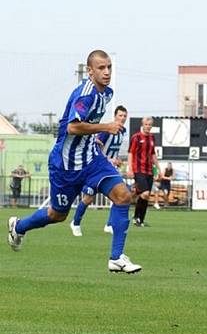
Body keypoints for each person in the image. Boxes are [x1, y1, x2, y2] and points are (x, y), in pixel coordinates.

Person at [7, 50, 141, 273]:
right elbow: (73, 126)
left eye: (109, 67)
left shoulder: (107, 93)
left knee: (123, 196)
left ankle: (116, 258)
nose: (107, 72)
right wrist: (106, 127)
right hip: (66, 165)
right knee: (57, 215)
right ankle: (18, 226)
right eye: (101, 68)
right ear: (89, 71)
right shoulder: (85, 93)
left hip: (91, 160)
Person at [69, 105, 128, 236]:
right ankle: (75, 222)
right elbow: (96, 145)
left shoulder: (123, 131)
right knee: (89, 198)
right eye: (120, 115)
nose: (122, 118)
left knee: (119, 195)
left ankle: (110, 224)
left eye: (124, 116)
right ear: (115, 116)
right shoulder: (107, 130)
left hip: (110, 168)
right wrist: (108, 159)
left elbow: (115, 150)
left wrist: (116, 159)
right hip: (98, 167)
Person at [128, 117, 161, 226]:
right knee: (145, 193)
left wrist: (158, 169)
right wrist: (130, 169)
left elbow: (153, 154)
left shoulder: (151, 138)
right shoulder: (136, 137)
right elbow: (130, 153)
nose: (148, 126)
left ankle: (140, 220)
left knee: (146, 195)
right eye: (146, 124)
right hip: (138, 169)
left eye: (150, 124)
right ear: (143, 124)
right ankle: (136, 216)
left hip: (149, 170)